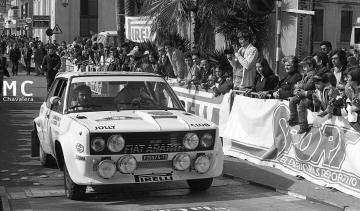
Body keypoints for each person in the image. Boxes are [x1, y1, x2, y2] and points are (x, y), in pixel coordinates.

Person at [287, 56, 317, 133]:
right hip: (302, 93)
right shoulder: (305, 74)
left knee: (301, 105)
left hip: (310, 96)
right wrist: (298, 87)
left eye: (305, 65)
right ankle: (294, 118)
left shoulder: (312, 74)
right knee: (292, 101)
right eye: (303, 65)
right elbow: (300, 84)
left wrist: (299, 86)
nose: (303, 67)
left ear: (311, 66)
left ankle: (303, 126)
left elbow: (307, 86)